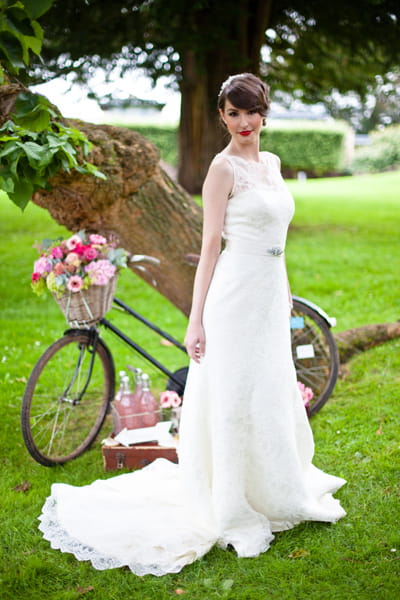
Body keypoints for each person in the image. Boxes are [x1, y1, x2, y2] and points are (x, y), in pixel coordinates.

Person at [38, 73, 346, 576]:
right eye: (233, 113)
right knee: (231, 392)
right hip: (233, 295)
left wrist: (284, 288)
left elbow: (276, 236)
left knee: (267, 387)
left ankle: (274, 484)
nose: (244, 122)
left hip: (268, 293)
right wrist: (196, 321)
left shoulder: (271, 163)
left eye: (251, 112)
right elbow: (209, 249)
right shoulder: (221, 170)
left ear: (264, 112)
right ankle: (229, 499)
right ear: (222, 118)